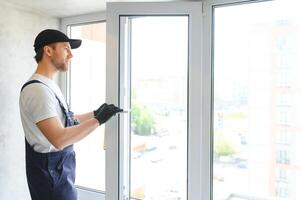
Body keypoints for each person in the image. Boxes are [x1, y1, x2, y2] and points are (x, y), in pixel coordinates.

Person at [19, 29, 122, 200]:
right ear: (48, 50)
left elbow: (66, 121)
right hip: (50, 176)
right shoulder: (37, 90)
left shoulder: (49, 86)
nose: (71, 55)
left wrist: (95, 113)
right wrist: (98, 120)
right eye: (66, 48)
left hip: (59, 172)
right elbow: (59, 139)